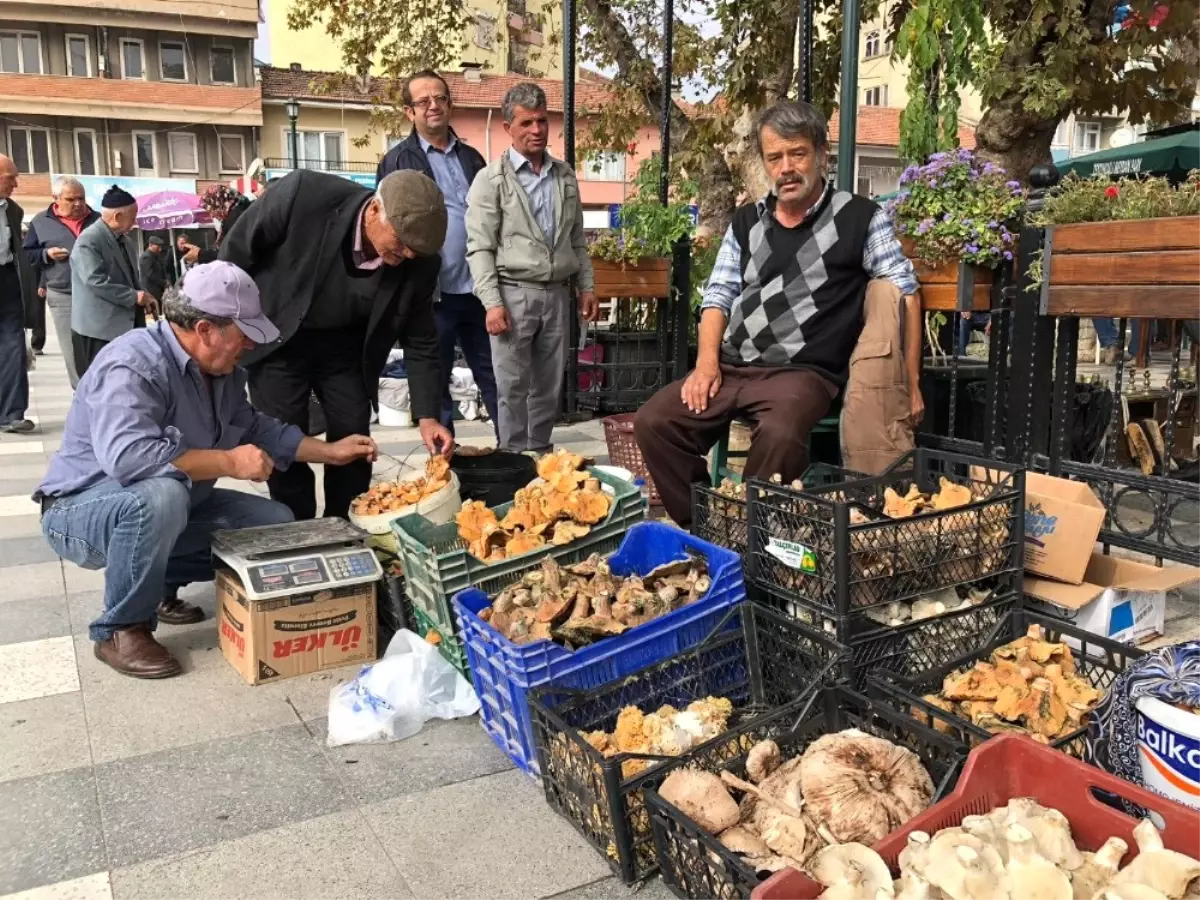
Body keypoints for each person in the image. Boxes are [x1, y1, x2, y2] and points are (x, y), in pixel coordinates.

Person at [35, 262, 380, 679]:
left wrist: (330, 451)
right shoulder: (131, 362)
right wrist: (231, 463)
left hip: (165, 507)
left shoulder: (223, 372)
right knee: (162, 495)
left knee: (273, 522)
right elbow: (130, 457)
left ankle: (155, 586)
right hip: (79, 511)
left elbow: (256, 428)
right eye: (243, 333)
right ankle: (120, 628)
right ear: (204, 329)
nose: (250, 344)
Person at [634, 101, 922, 525]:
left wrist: (911, 384)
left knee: (782, 434)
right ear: (765, 163)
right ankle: (707, 522)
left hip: (803, 373)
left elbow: (906, 295)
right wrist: (706, 363)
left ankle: (751, 533)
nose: (786, 167)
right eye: (775, 157)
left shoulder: (861, 218)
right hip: (732, 368)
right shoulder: (745, 221)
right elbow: (718, 295)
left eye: (797, 153)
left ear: (821, 153)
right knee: (654, 422)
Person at [219, 168, 453, 520]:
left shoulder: (420, 262)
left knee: (354, 440)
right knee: (285, 439)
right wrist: (230, 326)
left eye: (416, 251)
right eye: (401, 242)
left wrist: (428, 416)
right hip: (279, 337)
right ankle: (296, 528)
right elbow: (235, 255)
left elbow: (421, 340)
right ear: (375, 210)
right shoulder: (304, 195)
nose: (406, 255)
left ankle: (346, 526)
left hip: (348, 350)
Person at [465, 82, 600, 453]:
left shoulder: (564, 175)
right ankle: (512, 459)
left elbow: (577, 238)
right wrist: (492, 302)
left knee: (549, 385)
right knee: (510, 385)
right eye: (526, 123)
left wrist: (587, 287)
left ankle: (540, 455)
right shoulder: (490, 180)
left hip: (557, 295)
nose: (537, 130)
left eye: (542, 121)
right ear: (508, 127)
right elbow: (479, 247)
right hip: (513, 294)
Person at [377, 70, 499, 435]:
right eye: (423, 101)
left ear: (450, 104)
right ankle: (445, 469)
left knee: (495, 376)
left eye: (440, 98)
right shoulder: (397, 161)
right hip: (431, 296)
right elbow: (385, 228)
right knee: (434, 383)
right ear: (408, 112)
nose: (433, 106)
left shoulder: (473, 158)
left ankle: (514, 453)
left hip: (478, 291)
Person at [70, 186, 155, 377]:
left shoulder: (126, 241)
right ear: (117, 216)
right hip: (98, 331)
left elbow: (133, 277)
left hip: (125, 326)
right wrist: (134, 296)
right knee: (100, 383)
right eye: (133, 218)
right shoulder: (89, 240)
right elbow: (95, 281)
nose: (135, 223)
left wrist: (144, 296)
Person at [24, 176, 100, 388]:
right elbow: (27, 254)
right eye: (71, 199)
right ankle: (82, 395)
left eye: (81, 198)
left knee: (98, 348)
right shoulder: (40, 222)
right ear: (55, 199)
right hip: (63, 294)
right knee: (72, 351)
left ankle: (101, 392)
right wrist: (47, 254)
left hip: (97, 293)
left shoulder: (99, 220)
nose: (78, 204)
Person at [0, 155, 37, 434]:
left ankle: (13, 412)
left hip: (8, 280)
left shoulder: (14, 210)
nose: (16, 182)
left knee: (13, 345)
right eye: (10, 176)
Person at [196, 185, 252, 264]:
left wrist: (201, 255)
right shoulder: (241, 212)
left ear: (220, 201)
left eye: (211, 208)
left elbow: (231, 255)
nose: (212, 215)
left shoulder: (235, 219)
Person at [138, 236, 171, 305]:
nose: (160, 249)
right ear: (150, 245)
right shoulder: (146, 257)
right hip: (150, 289)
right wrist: (164, 282)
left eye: (160, 246)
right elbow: (150, 275)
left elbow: (162, 269)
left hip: (158, 289)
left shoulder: (155, 255)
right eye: (157, 246)